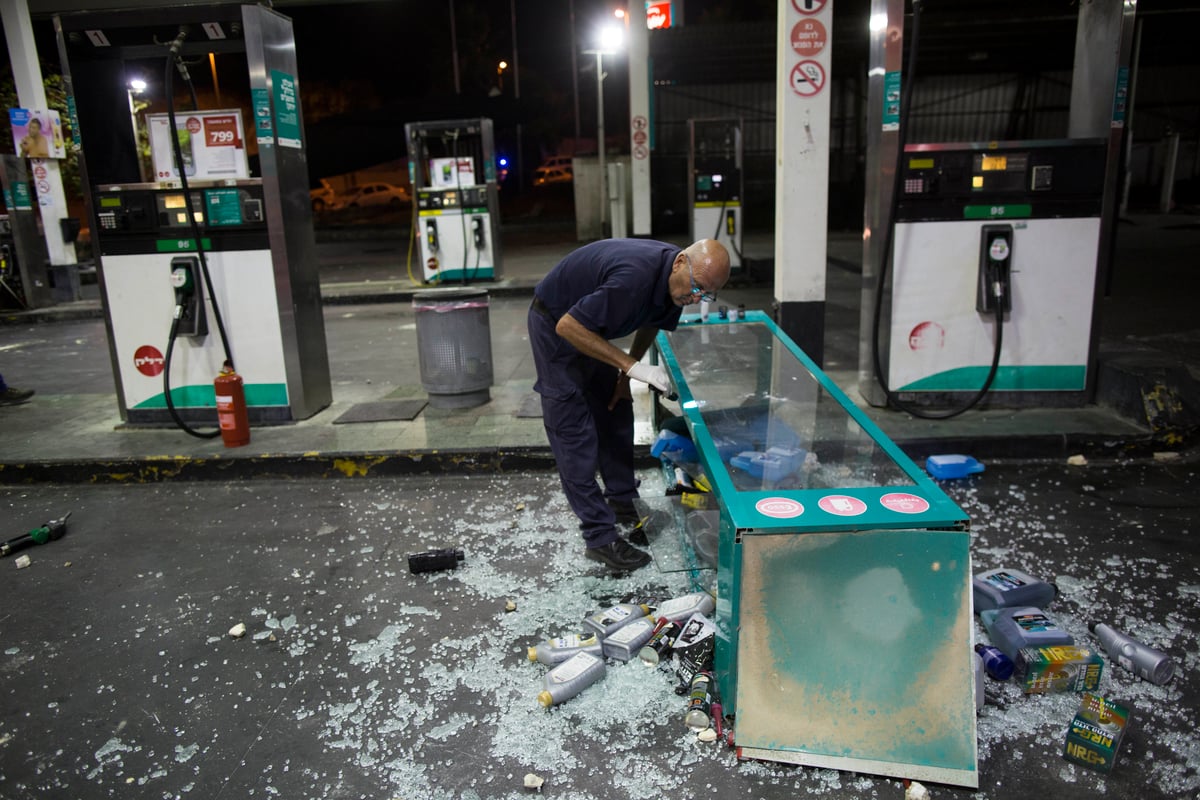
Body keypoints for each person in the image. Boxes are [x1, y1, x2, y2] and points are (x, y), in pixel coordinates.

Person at [528, 238, 731, 571]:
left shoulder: (678, 285)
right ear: (680, 262)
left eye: (706, 294)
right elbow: (568, 325)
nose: (696, 298)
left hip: (587, 326)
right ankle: (600, 538)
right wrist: (631, 366)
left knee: (615, 407)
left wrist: (627, 374)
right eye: (696, 287)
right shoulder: (634, 278)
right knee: (574, 433)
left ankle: (623, 501)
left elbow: (653, 321)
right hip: (555, 324)